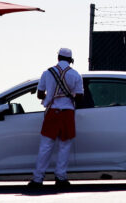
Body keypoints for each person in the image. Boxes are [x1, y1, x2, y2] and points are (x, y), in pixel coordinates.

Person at [27, 47, 84, 191]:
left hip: (52, 112)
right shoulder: (76, 75)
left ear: (58, 58)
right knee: (64, 147)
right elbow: (80, 96)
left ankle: (38, 178)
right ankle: (61, 177)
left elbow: (40, 94)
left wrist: (50, 96)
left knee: (45, 147)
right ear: (71, 60)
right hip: (67, 113)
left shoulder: (47, 73)